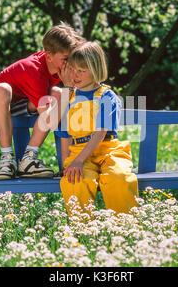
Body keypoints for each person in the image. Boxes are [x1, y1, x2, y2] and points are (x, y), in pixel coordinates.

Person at [0, 23, 85, 180]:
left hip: (18, 104)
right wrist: (68, 88)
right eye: (66, 59)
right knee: (4, 89)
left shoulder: (58, 66)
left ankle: (28, 158)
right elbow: (50, 120)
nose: (70, 63)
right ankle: (7, 159)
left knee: (58, 94)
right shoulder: (33, 70)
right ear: (49, 57)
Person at [55, 41, 139, 216]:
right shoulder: (68, 98)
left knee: (118, 178)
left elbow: (100, 133)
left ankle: (124, 228)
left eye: (81, 71)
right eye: (72, 69)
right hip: (78, 151)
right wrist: (67, 164)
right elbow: (64, 133)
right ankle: (83, 232)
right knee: (74, 180)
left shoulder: (107, 97)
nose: (74, 75)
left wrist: (79, 161)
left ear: (95, 70)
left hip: (108, 150)